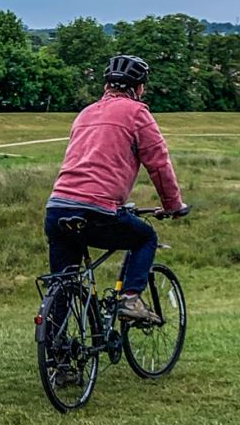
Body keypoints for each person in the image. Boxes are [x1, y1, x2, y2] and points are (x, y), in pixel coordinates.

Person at [45, 54, 188, 324]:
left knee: (61, 284)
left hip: (57, 207)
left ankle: (58, 360)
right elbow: (159, 164)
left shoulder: (85, 113)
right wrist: (173, 205)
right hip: (98, 210)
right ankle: (130, 298)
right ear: (139, 87)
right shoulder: (137, 113)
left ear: (106, 86)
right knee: (145, 237)